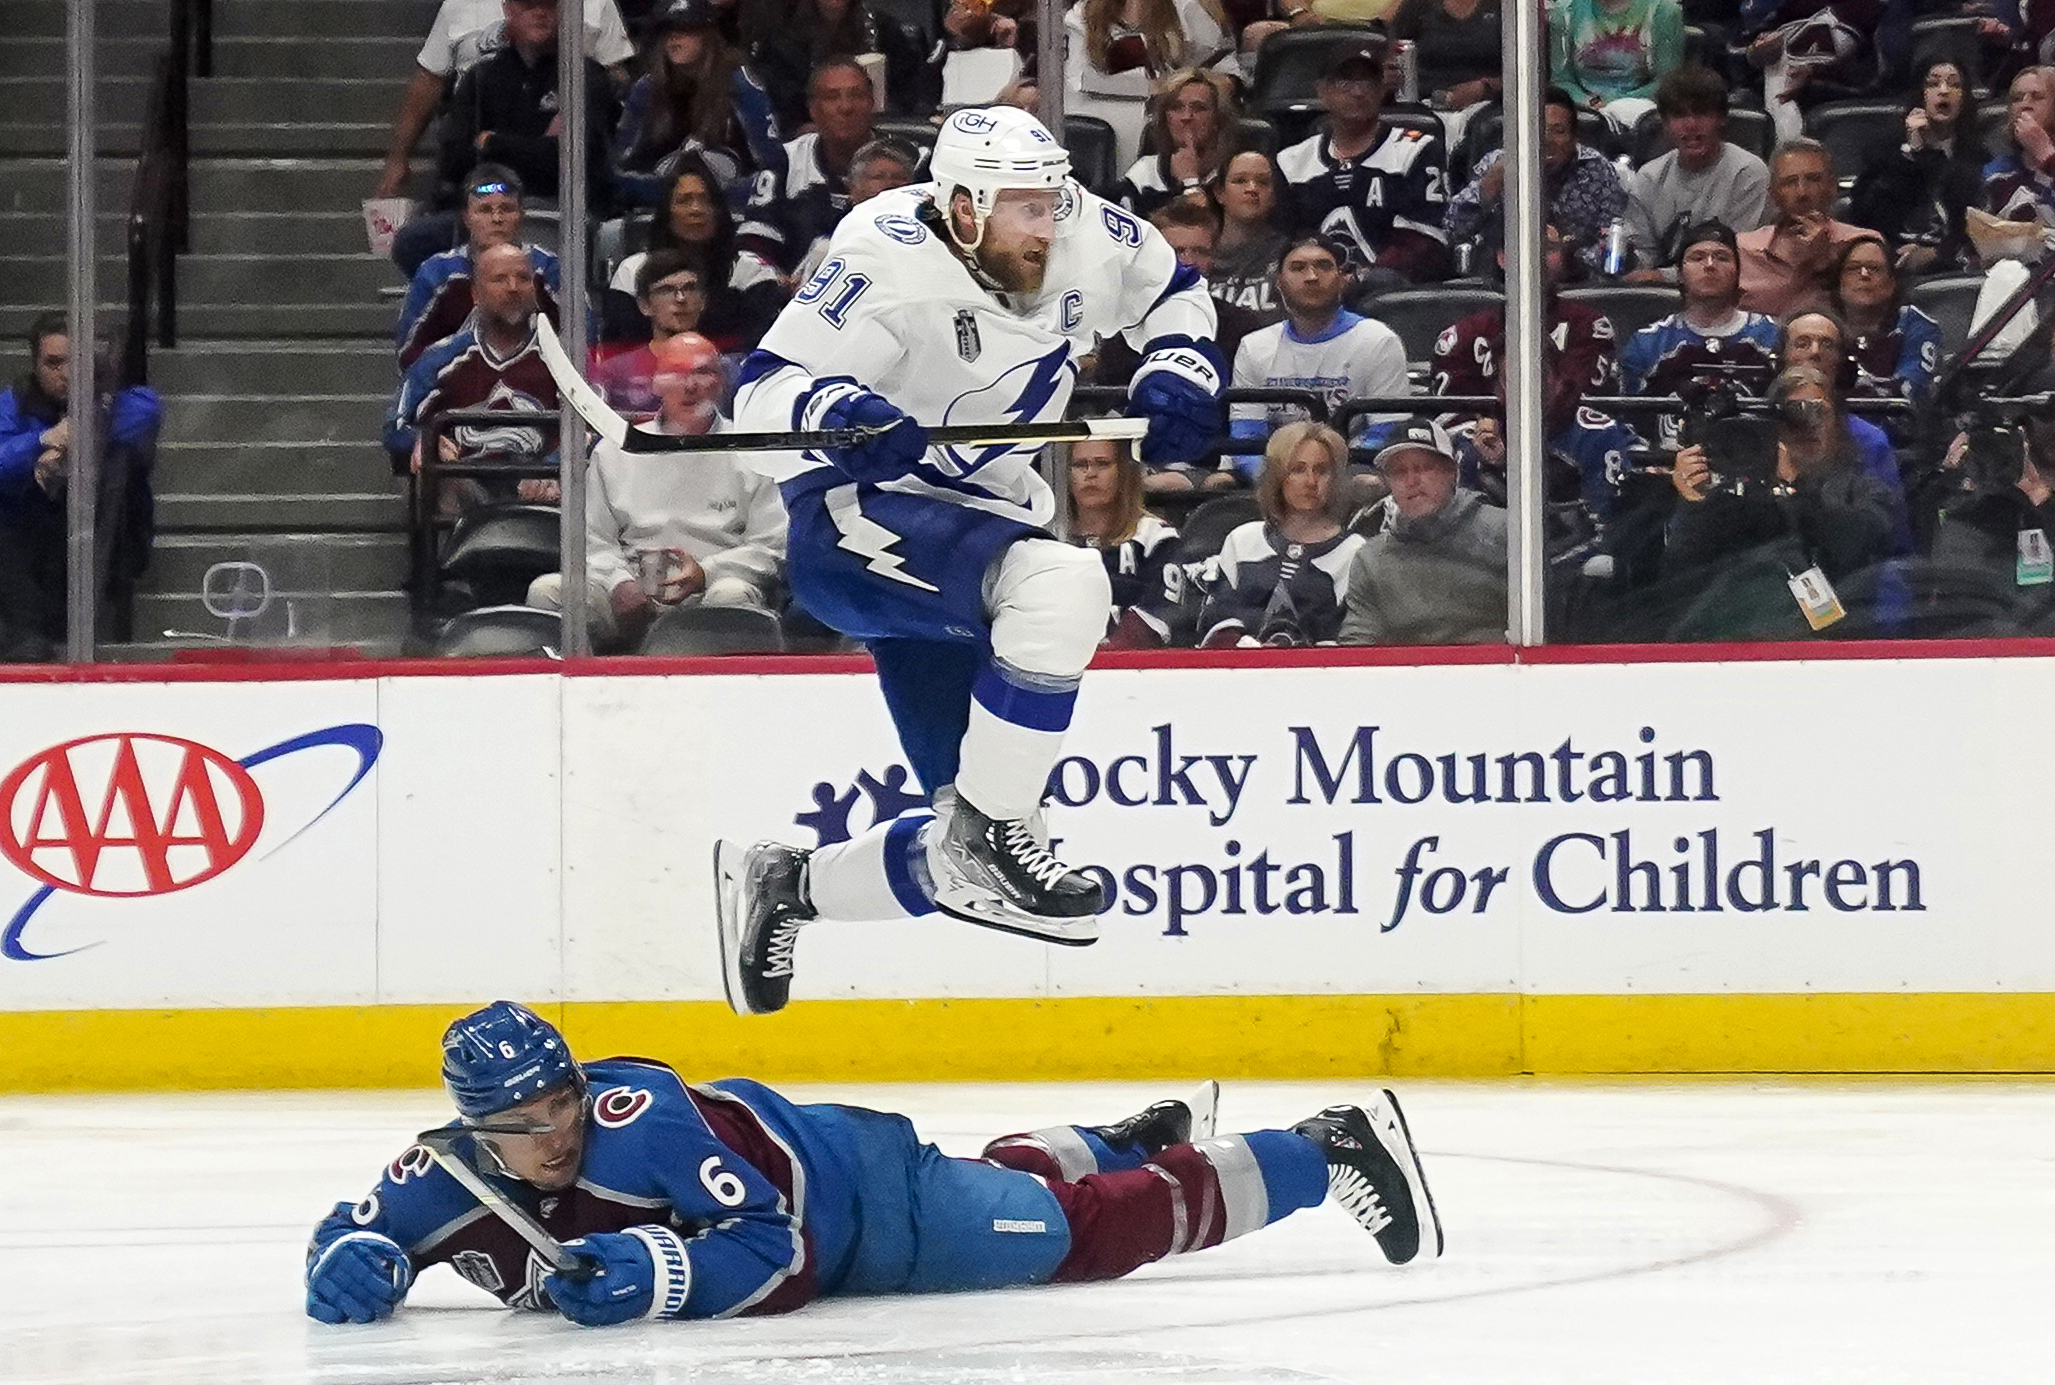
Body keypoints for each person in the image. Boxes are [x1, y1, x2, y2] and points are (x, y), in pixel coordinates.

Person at [714, 107, 1226, 1015]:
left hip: (979, 532)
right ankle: (993, 826)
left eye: (1052, 201)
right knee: (1067, 582)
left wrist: (1181, 362)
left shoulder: (1082, 231)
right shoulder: (879, 251)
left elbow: (1171, 288)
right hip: (856, 523)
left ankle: (788, 885)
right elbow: (757, 399)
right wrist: (833, 409)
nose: (1049, 223)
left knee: (972, 862)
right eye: (1023, 208)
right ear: (960, 208)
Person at [303, 1002, 1441, 1327]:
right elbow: (355, 1228)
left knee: (1072, 1235)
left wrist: (656, 1271)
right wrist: (353, 1261)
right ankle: (1135, 1135)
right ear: (473, 1127)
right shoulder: (448, 1177)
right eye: (525, 1120)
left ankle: (1314, 1151)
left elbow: (775, 1249)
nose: (555, 1130)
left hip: (863, 1203)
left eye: (561, 1099)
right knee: (1015, 1187)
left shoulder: (639, 1118)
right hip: (852, 1179)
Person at [528, 333, 785, 651]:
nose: (689, 385)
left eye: (702, 372)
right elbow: (591, 541)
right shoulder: (614, 452)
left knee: (732, 595)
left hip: (710, 587)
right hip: (629, 585)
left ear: (720, 383)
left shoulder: (752, 450)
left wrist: (705, 573)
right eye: (676, 373)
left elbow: (771, 546)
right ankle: (580, 694)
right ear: (655, 384)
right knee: (549, 591)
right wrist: (619, 583)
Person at [1663, 364, 1899, 637]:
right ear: (1774, 426)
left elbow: (1855, 547)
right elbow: (1681, 577)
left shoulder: (1864, 490)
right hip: (1738, 635)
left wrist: (1797, 485)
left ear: (1839, 423)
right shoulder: (1738, 495)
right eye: (1792, 414)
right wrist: (1693, 503)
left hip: (1834, 640)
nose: (1805, 425)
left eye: (1816, 411)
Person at [1431, 222, 1634, 513]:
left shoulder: (1588, 326)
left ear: (1562, 257)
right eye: (1522, 245)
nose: (1535, 255)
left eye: (1548, 248)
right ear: (1502, 258)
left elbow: (1571, 398)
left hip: (1573, 460)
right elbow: (1447, 415)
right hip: (1481, 465)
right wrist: (1486, 434)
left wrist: (1504, 430)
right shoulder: (1459, 337)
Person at [0, 316, 161, 660]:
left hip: (107, 535)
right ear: (34, 364)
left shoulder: (122, 399)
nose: (67, 374)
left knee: (120, 462)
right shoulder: (15, 404)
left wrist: (75, 434)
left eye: (76, 361)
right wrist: (42, 440)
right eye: (53, 363)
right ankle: (28, 639)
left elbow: (147, 411)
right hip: (32, 539)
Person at [374, 0, 634, 203]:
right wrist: (398, 157)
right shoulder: (481, 76)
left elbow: (572, 159)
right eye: (529, 5)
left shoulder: (586, 77)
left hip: (564, 205)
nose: (540, 13)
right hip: (485, 199)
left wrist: (492, 142)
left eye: (548, 5)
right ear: (508, 10)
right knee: (413, 240)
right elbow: (454, 158)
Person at [386, 243, 562, 512]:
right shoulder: (440, 359)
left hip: (542, 490)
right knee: (438, 475)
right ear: (476, 294)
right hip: (465, 487)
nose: (513, 287)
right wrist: (422, 440)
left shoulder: (561, 360)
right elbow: (395, 426)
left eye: (523, 278)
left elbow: (594, 429)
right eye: (500, 279)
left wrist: (555, 467)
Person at [1276, 38, 1453, 286]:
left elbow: (1426, 242)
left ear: (1383, 88)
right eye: (1345, 81)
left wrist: (1361, 280)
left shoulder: (1416, 150)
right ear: (1322, 90)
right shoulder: (1292, 162)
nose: (1358, 91)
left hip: (1390, 296)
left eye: (1367, 81)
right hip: (1312, 291)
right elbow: (1282, 241)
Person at [1229, 233, 1411, 468]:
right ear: (1279, 282)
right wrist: (1278, 482)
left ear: (1342, 278)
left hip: (1352, 472)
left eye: (1324, 267)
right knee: (1215, 483)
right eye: (1298, 268)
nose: (1312, 277)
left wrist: (1328, 477)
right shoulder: (1254, 347)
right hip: (1276, 474)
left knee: (1368, 485)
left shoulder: (1378, 341)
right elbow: (1246, 437)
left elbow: (1388, 431)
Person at [1193, 421, 1366, 646]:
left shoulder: (1355, 551)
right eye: (1298, 469)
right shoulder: (1242, 540)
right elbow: (1216, 621)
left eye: (1321, 470)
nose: (1311, 481)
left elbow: (1350, 639)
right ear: (1277, 476)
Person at [1340, 417, 1508, 644]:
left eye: (1424, 468)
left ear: (1452, 471)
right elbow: (1358, 643)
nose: (1411, 481)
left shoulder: (1506, 532)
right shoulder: (1371, 560)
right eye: (1399, 472)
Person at [603, 154, 790, 351]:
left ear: (718, 210)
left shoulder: (751, 271)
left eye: (705, 200)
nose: (696, 209)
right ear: (667, 212)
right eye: (684, 200)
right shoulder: (632, 271)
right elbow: (618, 350)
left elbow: (762, 346)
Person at [609, 0, 784, 210]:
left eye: (685, 29)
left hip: (735, 211)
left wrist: (714, 197)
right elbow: (619, 168)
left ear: (708, 36)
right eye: (668, 31)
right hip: (662, 211)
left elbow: (773, 167)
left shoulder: (741, 85)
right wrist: (676, 194)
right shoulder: (646, 89)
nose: (674, 38)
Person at [1619, 221, 1779, 450]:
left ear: (1738, 273)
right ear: (1679, 274)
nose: (1710, 265)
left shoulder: (1772, 335)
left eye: (1722, 257)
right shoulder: (1647, 342)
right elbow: (1628, 423)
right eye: (1697, 257)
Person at [1442, 87, 1627, 279]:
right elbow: (1453, 230)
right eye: (1538, 130)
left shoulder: (1596, 168)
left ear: (1574, 138)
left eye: (1558, 131)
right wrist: (1490, 186)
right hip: (1504, 275)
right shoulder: (1496, 164)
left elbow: (1613, 237)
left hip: (1579, 277)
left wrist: (1567, 255)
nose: (1546, 140)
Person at [396, 165, 562, 369]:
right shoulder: (436, 273)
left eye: (507, 209)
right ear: (466, 218)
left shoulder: (548, 269)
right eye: (484, 210)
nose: (497, 219)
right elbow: (408, 356)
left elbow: (584, 341)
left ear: (521, 216)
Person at [1622, 65, 1772, 283]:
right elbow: (1644, 254)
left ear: (1721, 118)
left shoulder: (1748, 173)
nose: (1691, 125)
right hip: (1657, 292)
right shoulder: (1648, 177)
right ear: (1665, 123)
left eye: (1701, 113)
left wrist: (1664, 277)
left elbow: (1735, 258)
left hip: (1728, 287)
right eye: (1679, 115)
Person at [737, 58, 881, 273]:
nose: (846, 107)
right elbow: (755, 245)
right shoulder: (784, 161)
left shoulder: (911, 161)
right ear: (813, 109)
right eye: (832, 97)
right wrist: (773, 283)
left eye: (856, 95)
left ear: (872, 102)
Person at [1846, 55, 1986, 276]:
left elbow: (1974, 222)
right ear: (1920, 95)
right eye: (1933, 83)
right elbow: (1865, 215)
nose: (1944, 91)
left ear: (1965, 98)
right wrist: (1910, 155)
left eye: (1954, 84)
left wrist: (1938, 254)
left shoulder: (1977, 157)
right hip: (1888, 263)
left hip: (1952, 266)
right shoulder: (1885, 152)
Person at [1065, 0, 1236, 171]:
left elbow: (1221, 63)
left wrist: (1218, 82)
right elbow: (1078, 78)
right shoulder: (1083, 13)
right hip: (1092, 114)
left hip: (1161, 119)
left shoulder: (1186, 7)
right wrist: (1153, 85)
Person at [1065, 436, 1186, 645]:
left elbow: (1160, 611)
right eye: (1079, 465)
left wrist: (1112, 659)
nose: (1090, 474)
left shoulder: (1156, 537)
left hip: (1131, 668)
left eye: (1102, 464)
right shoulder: (1047, 538)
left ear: (1124, 472)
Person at [1735, 140, 1868, 319]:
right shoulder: (1742, 249)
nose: (1802, 193)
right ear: (1773, 193)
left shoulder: (1862, 245)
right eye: (1789, 182)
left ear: (1832, 186)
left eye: (1813, 180)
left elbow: (1866, 316)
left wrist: (1824, 261)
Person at [1740, 0, 1888, 145]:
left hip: (1835, 86)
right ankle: (1787, 148)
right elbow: (1745, 46)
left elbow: (1873, 71)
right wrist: (1757, 50)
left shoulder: (1865, 8)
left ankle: (1790, 146)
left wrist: (1813, 73)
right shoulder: (1792, 7)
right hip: (1778, 76)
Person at [1826, 235, 1943, 410]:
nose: (1864, 275)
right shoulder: (1818, 325)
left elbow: (1911, 390)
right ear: (1839, 283)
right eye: (1853, 269)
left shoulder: (1917, 326)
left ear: (1892, 283)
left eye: (1874, 268)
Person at [592, 251, 710, 417]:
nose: (681, 298)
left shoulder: (727, 370)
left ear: (703, 300)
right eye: (666, 290)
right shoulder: (615, 373)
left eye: (689, 289)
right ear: (644, 304)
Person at [788, 138, 921, 286]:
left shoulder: (930, 239)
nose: (890, 184)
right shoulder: (828, 247)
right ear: (853, 189)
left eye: (899, 178)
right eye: (878, 177)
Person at [1116, 68, 1242, 218]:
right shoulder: (1144, 173)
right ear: (1165, 119)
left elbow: (1206, 232)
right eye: (1176, 108)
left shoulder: (1236, 173)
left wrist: (1190, 182)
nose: (1186, 117)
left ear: (1217, 118)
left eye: (1199, 108)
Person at [1546, 0, 1685, 131]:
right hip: (1583, 111)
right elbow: (1561, 80)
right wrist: (1591, 103)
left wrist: (1614, 104)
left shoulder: (1664, 11)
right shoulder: (1564, 12)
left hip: (1642, 111)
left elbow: (1667, 81)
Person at [1388, 0, 1505, 131]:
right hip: (1424, 106)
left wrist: (1486, 87)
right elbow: (1391, 49)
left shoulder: (1504, 7)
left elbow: (1525, 70)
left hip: (1488, 109)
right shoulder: (1418, 5)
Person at [1210, 149, 1292, 321]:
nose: (1252, 189)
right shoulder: (1199, 251)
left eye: (1263, 182)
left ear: (1274, 196)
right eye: (1240, 181)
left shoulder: (1289, 254)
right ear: (1219, 193)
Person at [1983, 65, 2055, 232]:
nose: (2024, 105)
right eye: (2017, 98)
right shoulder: (1998, 171)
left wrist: (2046, 155)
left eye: (2037, 97)